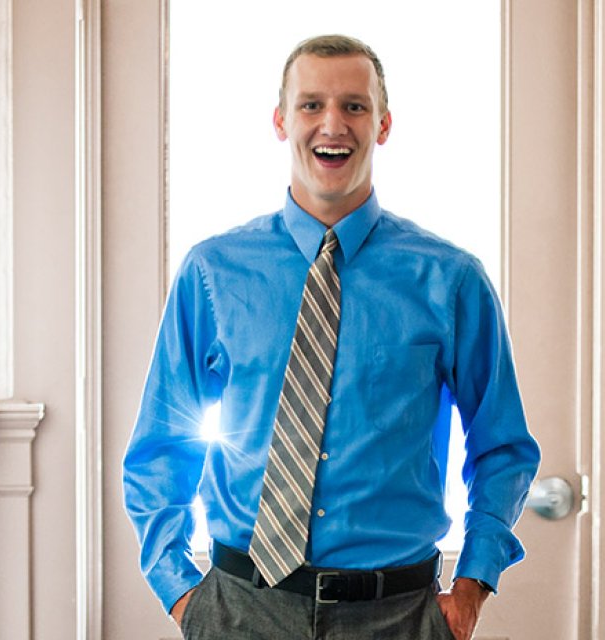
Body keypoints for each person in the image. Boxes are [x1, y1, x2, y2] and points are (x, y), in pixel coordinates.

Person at [123, 34, 541, 640]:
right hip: (240, 611)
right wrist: (183, 595)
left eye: (354, 106)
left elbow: (503, 447)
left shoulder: (449, 279)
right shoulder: (212, 271)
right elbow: (161, 444)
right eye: (312, 104)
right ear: (281, 120)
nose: (332, 124)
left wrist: (472, 586)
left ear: (384, 124)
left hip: (398, 615)